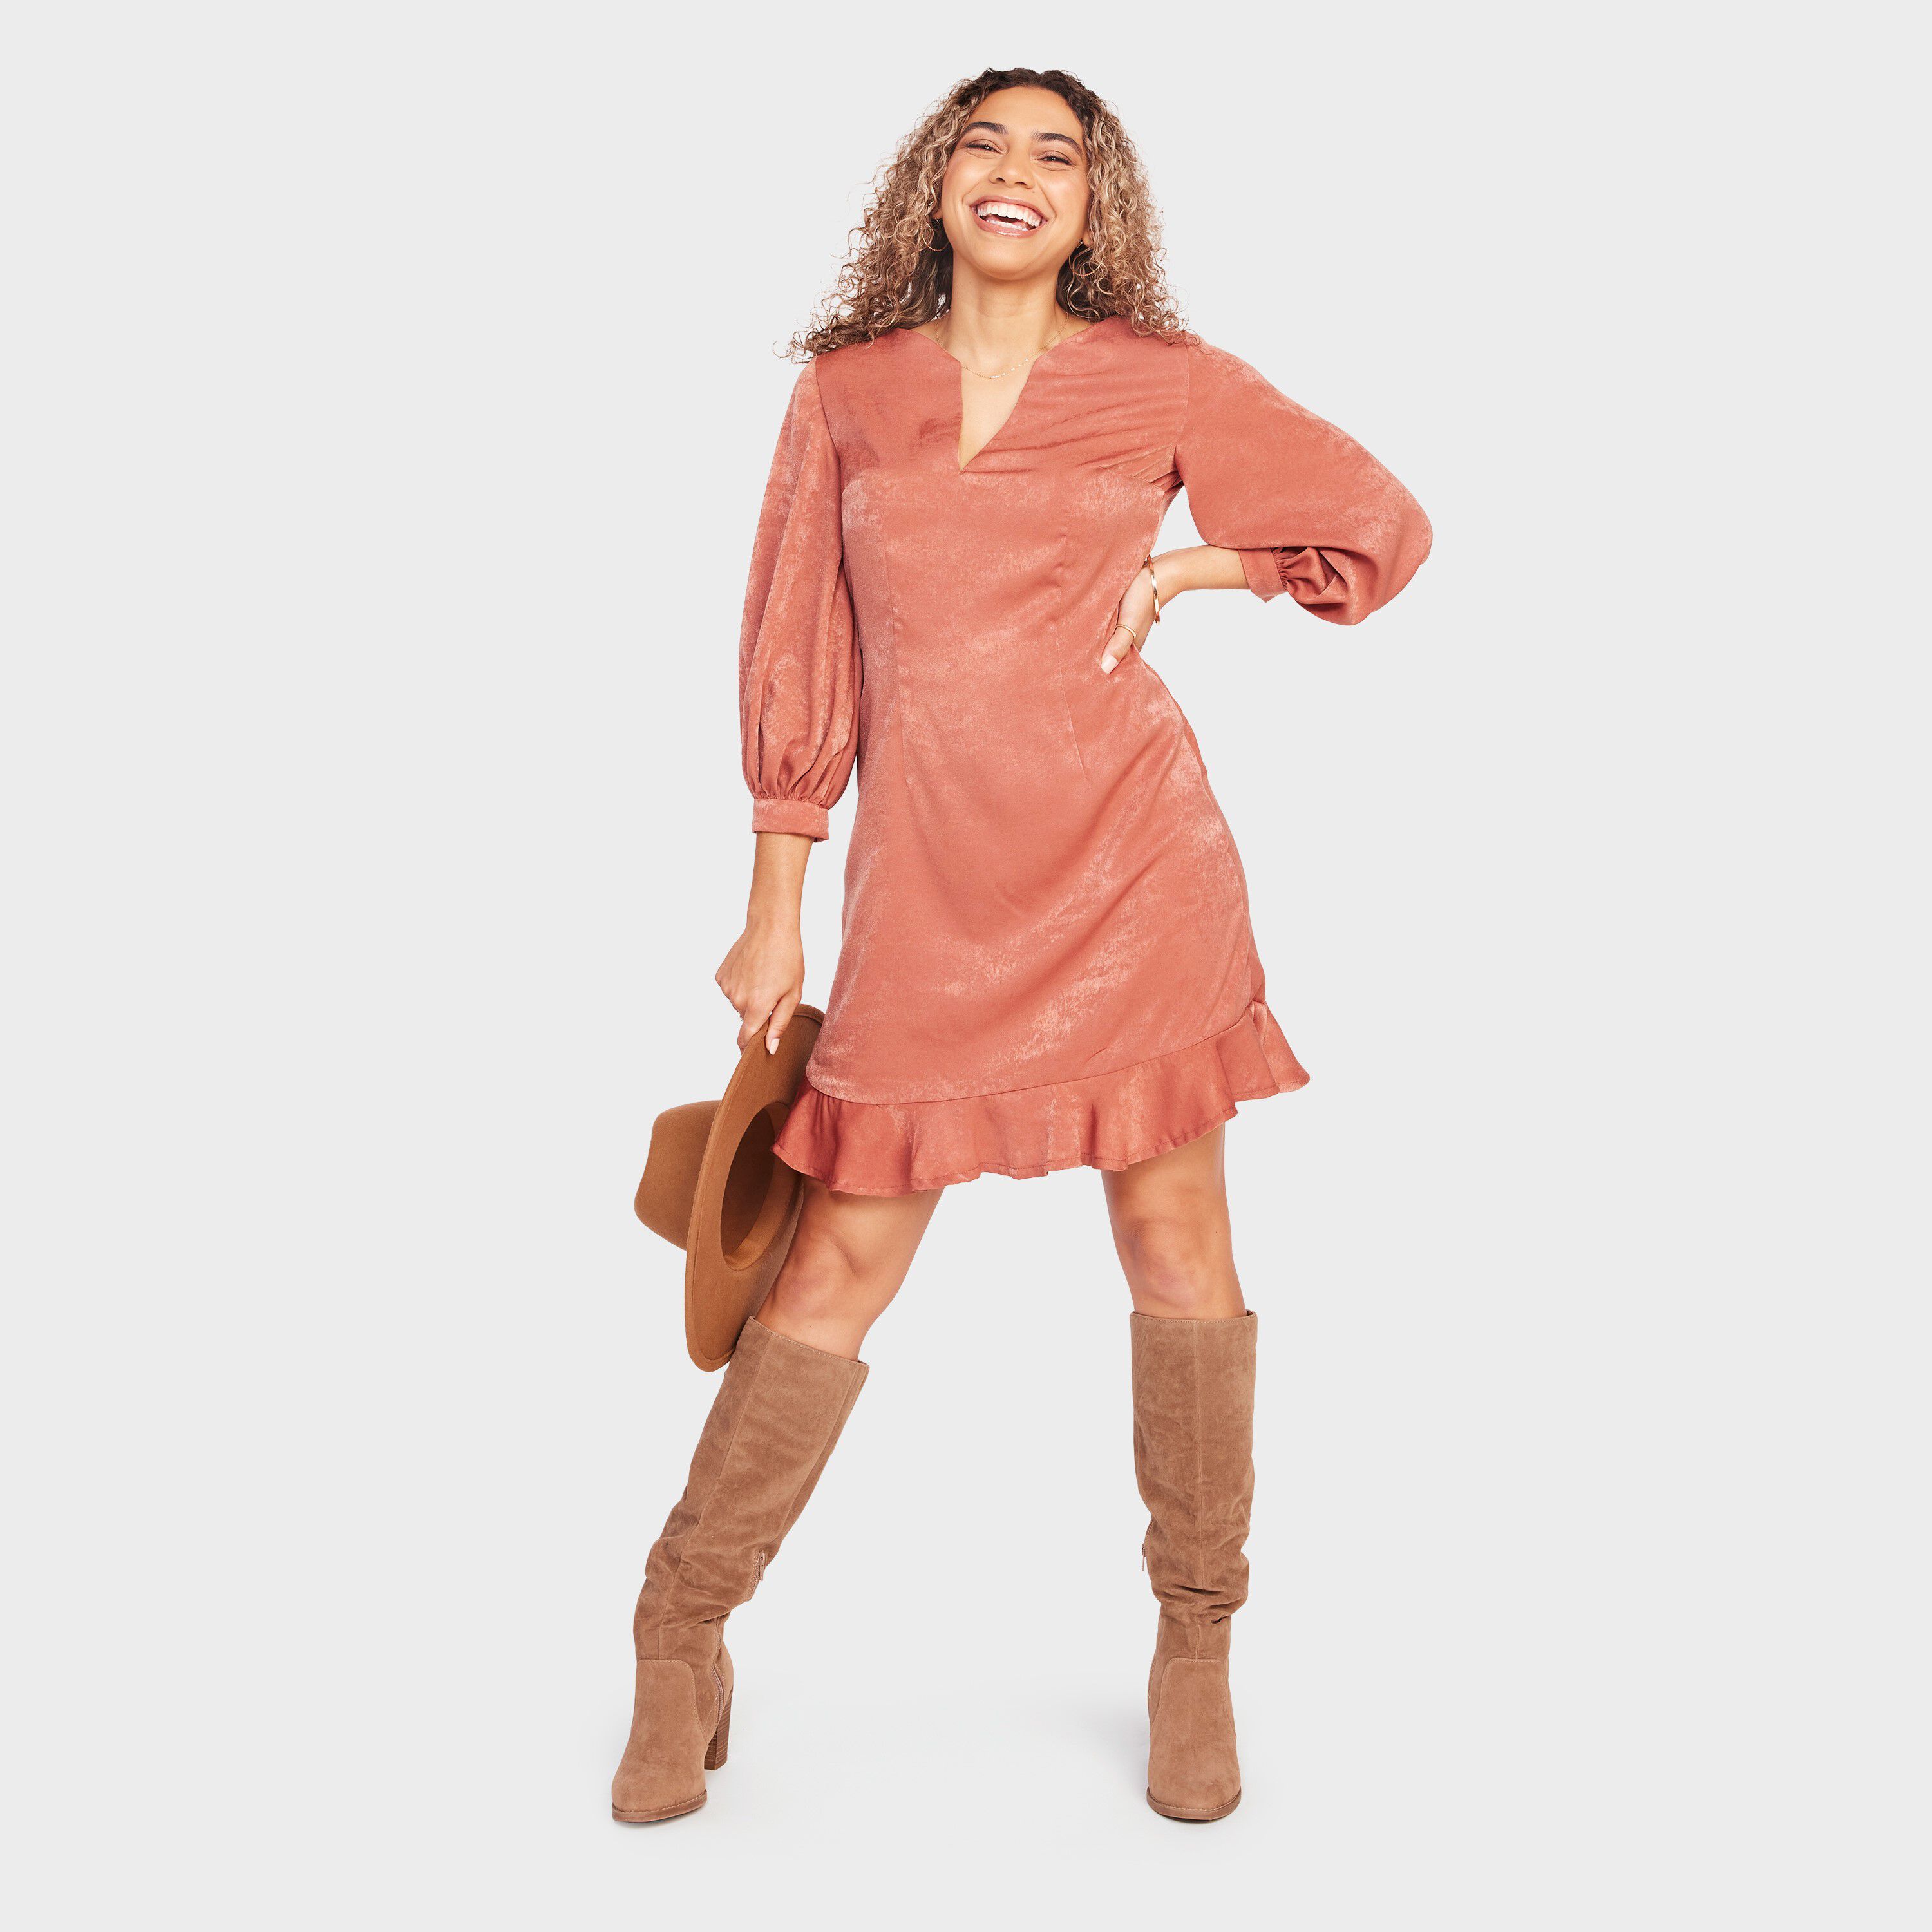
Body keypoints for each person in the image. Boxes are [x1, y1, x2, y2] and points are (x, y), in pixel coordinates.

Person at [614, 65, 1431, 1825]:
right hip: (923, 898)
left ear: (1092, 203)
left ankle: (1196, 1640)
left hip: (1137, 872)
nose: (1017, 171)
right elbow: (797, 641)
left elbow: (1377, 521)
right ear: (935, 182)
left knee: (1175, 1237)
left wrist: (1201, 571)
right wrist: (775, 895)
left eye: (1057, 153)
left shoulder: (1162, 380)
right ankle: (680, 1631)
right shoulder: (849, 394)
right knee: (833, 1265)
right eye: (984, 142)